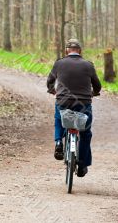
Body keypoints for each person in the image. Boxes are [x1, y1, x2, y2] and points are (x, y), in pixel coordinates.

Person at [47, 38, 102, 177]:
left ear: (66, 50)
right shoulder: (88, 65)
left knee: (59, 118)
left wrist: (53, 90)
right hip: (83, 103)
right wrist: (94, 93)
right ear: (80, 51)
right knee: (85, 133)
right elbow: (97, 85)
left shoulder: (59, 63)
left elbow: (50, 81)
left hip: (63, 101)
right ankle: (82, 165)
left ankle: (59, 142)